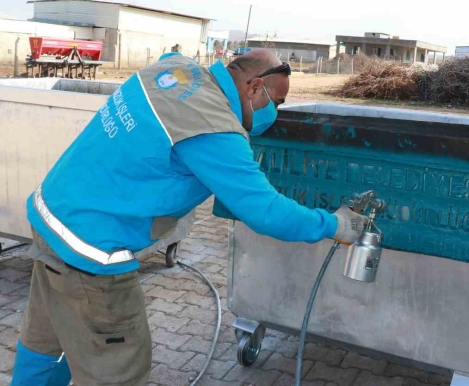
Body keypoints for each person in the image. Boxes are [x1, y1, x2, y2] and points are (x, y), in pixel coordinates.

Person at [10, 49, 368, 386]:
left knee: (49, 342)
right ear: (254, 87)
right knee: (119, 366)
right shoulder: (213, 130)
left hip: (51, 218)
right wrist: (335, 224)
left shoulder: (175, 68)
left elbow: (173, 68)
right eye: (275, 103)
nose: (273, 113)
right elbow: (266, 212)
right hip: (90, 252)